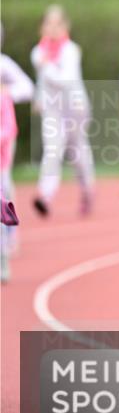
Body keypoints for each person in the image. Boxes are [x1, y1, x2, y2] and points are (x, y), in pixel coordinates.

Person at [30, 5, 95, 218]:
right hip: (53, 109)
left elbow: (65, 80)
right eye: (48, 23)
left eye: (58, 23)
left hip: (75, 107)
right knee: (52, 149)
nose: (53, 27)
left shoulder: (71, 50)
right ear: (42, 27)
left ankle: (87, 191)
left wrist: (47, 66)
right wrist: (39, 98)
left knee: (77, 153)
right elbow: (42, 81)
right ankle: (45, 195)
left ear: (66, 26)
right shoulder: (38, 52)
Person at [1, 25, 34, 283]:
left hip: (3, 139)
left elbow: (28, 87)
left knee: (3, 188)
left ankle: (9, 232)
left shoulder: (4, 65)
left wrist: (7, 92)